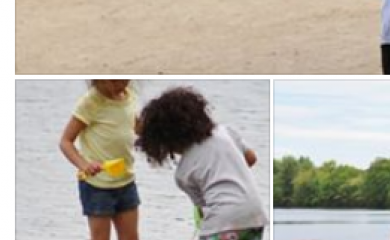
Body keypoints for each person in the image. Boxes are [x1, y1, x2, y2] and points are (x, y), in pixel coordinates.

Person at [135, 86, 267, 240]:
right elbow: (251, 158)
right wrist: (230, 171)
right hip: (255, 215)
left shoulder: (183, 173)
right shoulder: (224, 132)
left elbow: (203, 208)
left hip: (221, 224)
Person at [59, 80, 140, 240]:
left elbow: (135, 126)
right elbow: (65, 141)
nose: (123, 83)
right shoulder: (91, 102)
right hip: (97, 186)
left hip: (126, 181)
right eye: (115, 81)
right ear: (100, 80)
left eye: (126, 79)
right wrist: (84, 165)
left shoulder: (129, 95)